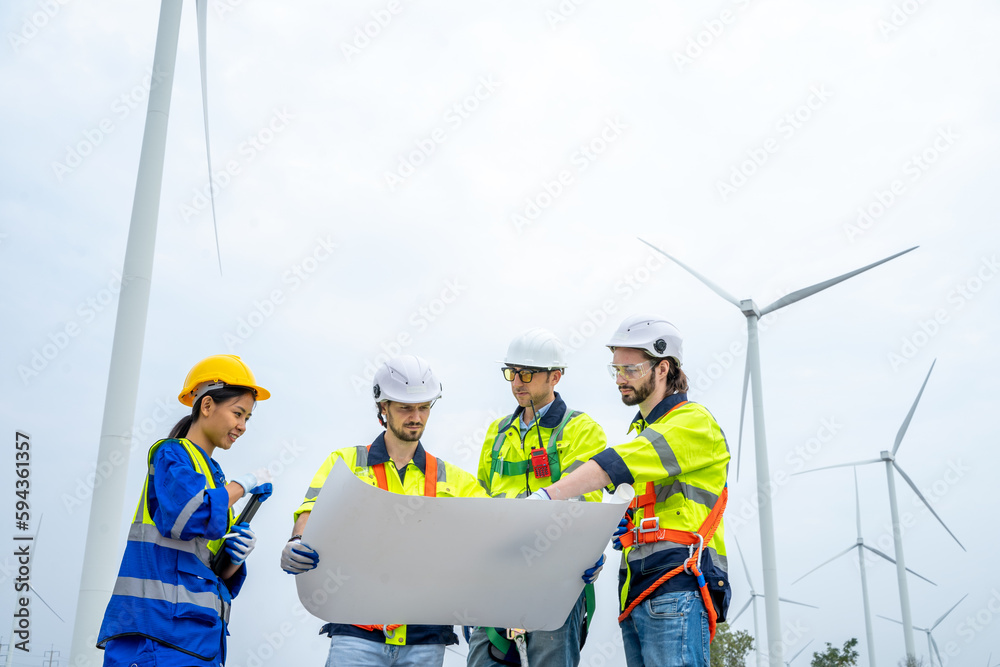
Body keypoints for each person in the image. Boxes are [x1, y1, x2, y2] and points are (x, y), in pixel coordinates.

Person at [529, 316, 731, 667]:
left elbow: (615, 464)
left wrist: (547, 496)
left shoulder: (693, 422)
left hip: (677, 585)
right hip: (639, 590)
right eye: (616, 370)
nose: (620, 378)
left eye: (631, 369)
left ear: (663, 368)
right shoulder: (643, 431)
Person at [282, 354, 488, 667]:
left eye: (424, 407)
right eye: (406, 407)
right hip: (356, 631)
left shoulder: (455, 480)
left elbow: (500, 528)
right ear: (383, 407)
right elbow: (311, 515)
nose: (416, 416)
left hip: (425, 637)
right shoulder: (346, 463)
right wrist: (297, 542)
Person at [98, 354, 274, 667]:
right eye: (238, 413)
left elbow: (211, 571)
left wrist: (234, 559)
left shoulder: (212, 479)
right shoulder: (172, 454)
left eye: (247, 418)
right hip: (156, 638)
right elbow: (187, 516)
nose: (242, 426)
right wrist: (242, 485)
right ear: (207, 406)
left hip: (198, 644)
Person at [465, 328, 608, 667]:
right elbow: (481, 500)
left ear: (555, 377)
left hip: (555, 577)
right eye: (511, 373)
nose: (517, 381)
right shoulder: (496, 434)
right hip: (498, 577)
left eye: (526, 373)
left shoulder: (581, 430)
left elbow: (584, 505)